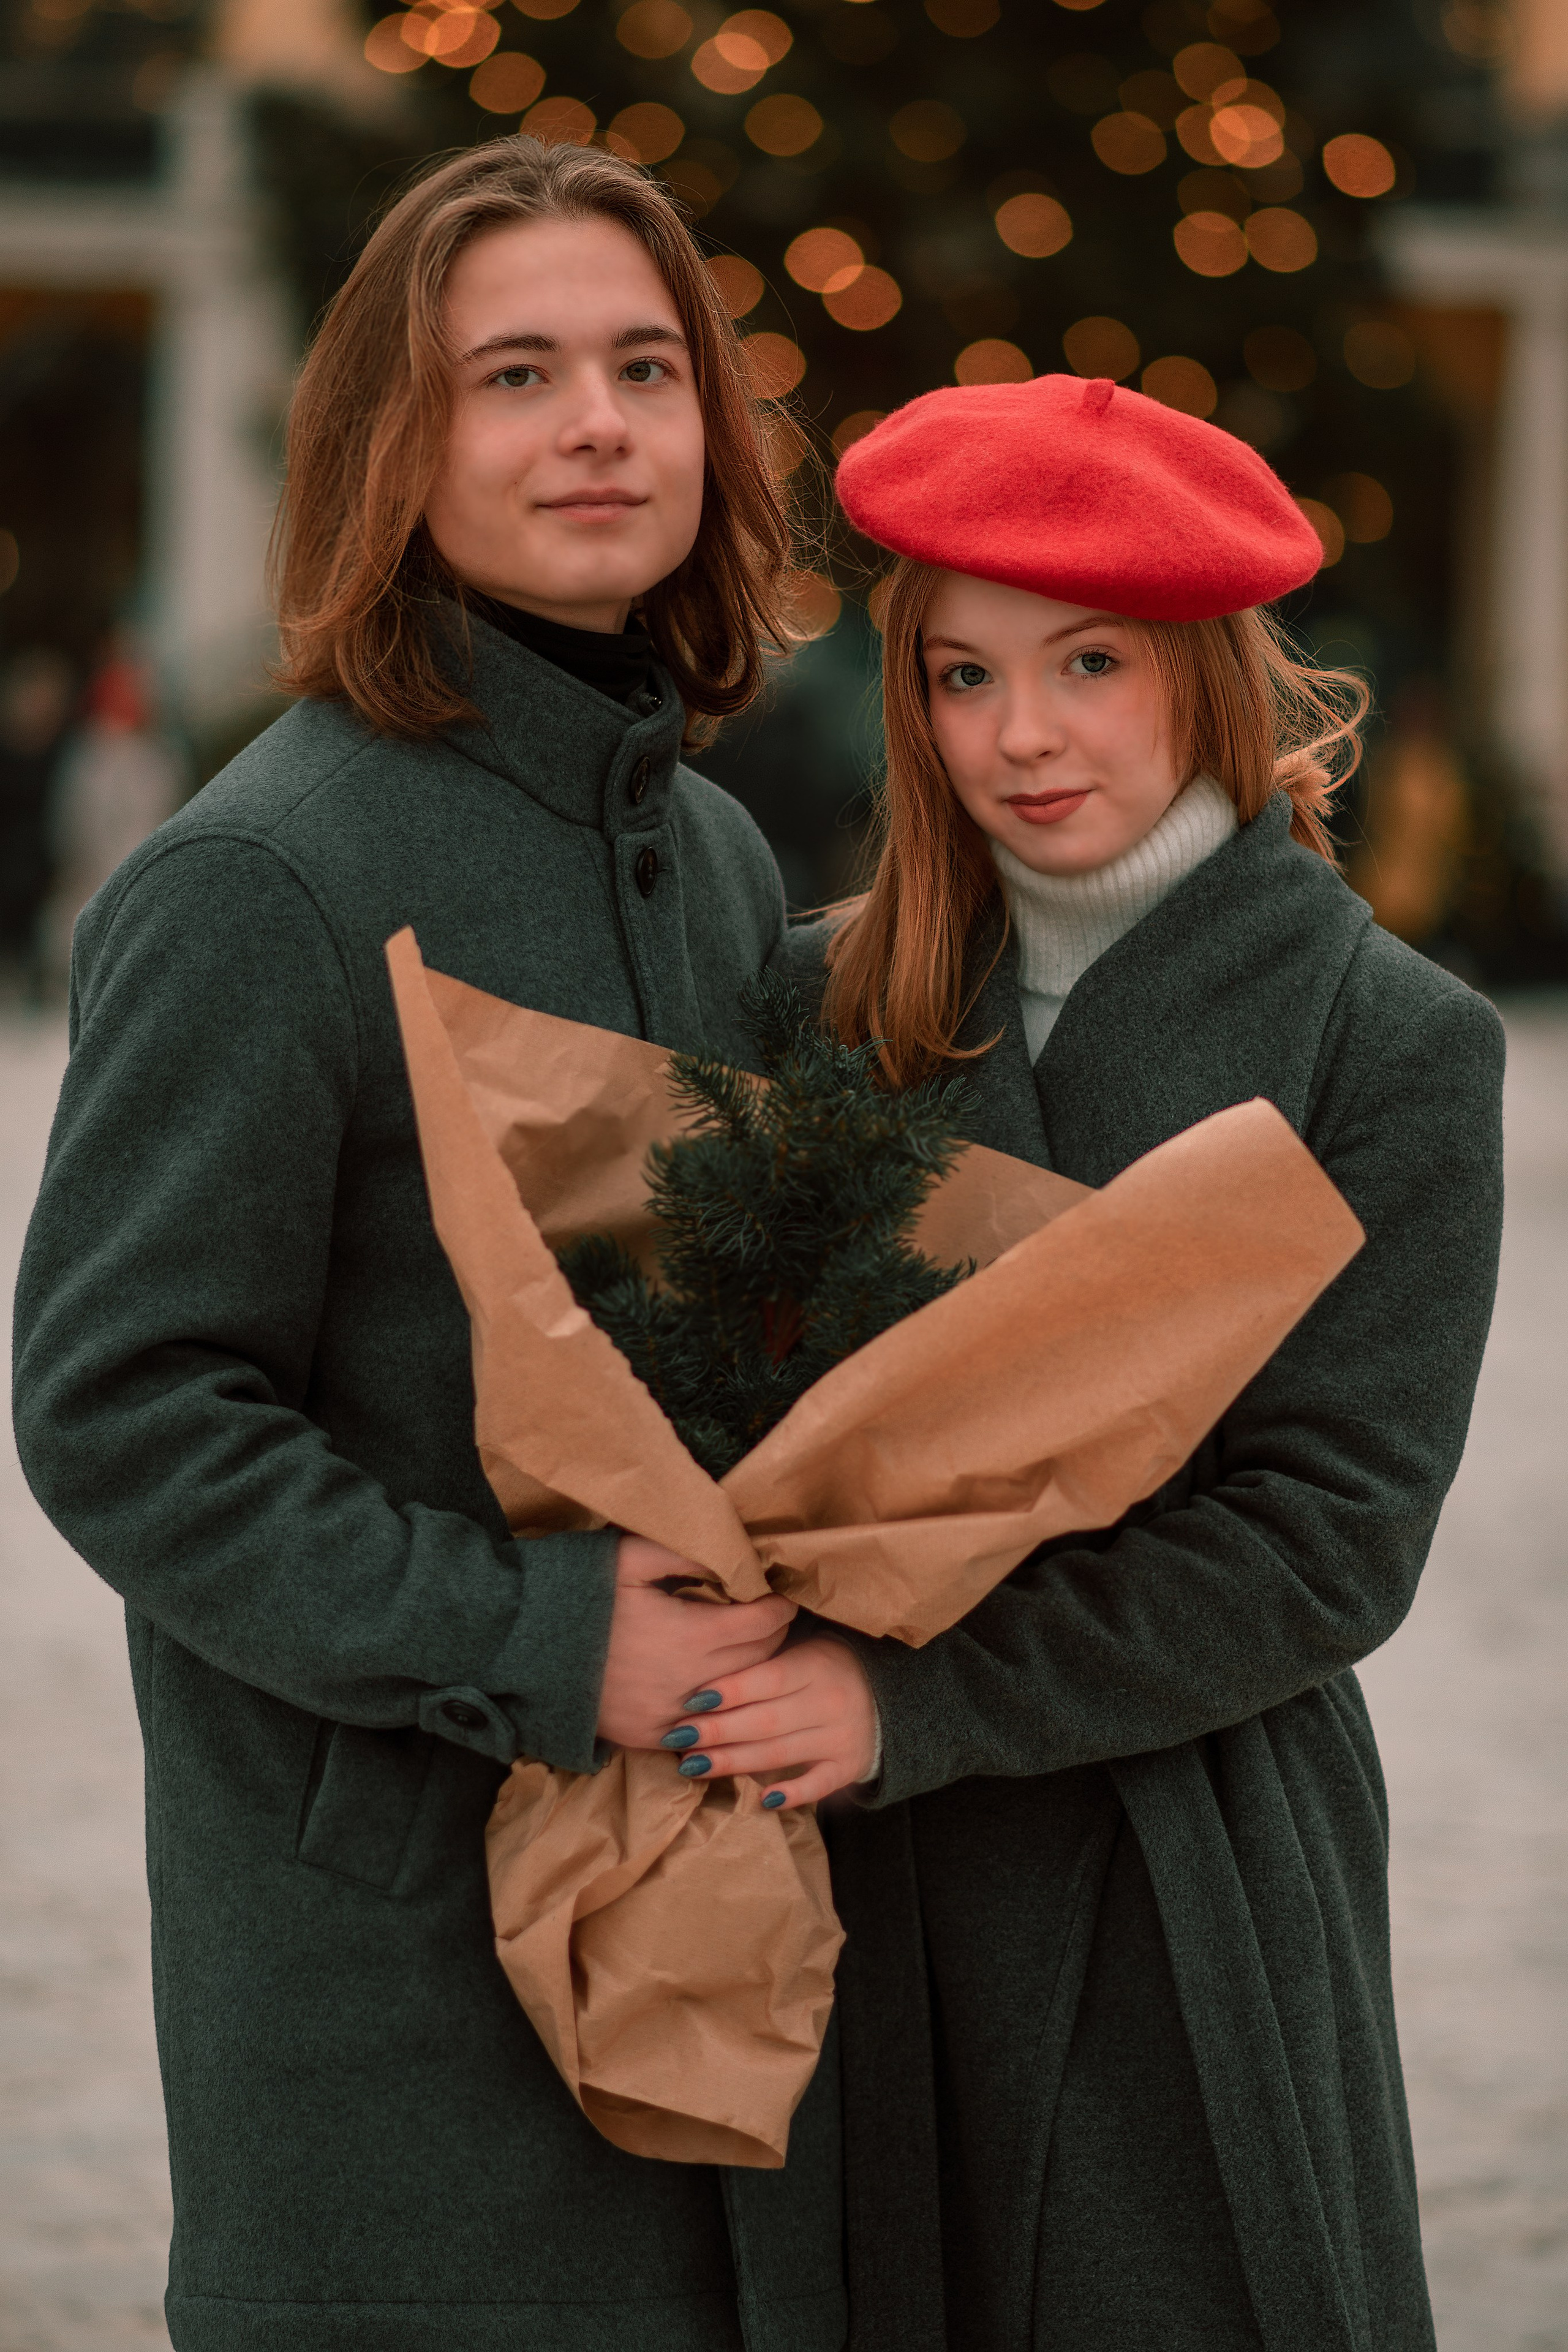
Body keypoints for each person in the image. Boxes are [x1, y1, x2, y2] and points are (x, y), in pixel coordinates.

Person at [13, 138, 845, 2352]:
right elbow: (123, 1410)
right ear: (397, 440)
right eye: (517, 374)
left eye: (648, 366)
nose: (599, 422)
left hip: (715, 1894)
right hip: (388, 1960)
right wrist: (545, 1634)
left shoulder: (729, 855)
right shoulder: (259, 879)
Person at [661, 374, 1504, 2351]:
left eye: (1089, 665)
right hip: (827, 1862)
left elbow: (1327, 1544)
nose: (1017, 737)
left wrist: (913, 1701)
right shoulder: (818, 993)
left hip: (1173, 1853)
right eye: (960, 678)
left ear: (1206, 668)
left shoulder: (1390, 1042)